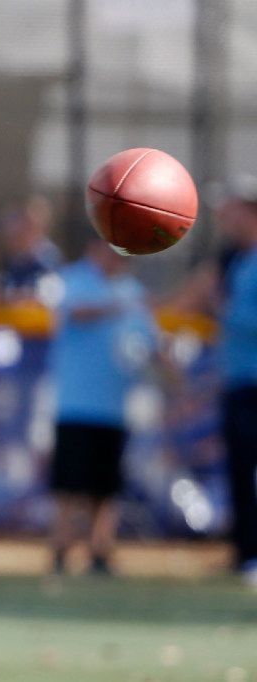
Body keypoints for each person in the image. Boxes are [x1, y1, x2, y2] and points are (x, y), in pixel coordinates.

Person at [49, 240, 157, 575]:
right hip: (76, 404)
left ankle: (100, 549)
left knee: (105, 488)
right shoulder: (73, 279)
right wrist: (119, 304)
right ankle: (60, 549)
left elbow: (151, 341)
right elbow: (76, 311)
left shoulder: (130, 289)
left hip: (114, 407)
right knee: (70, 486)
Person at [217, 181, 257, 586]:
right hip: (239, 382)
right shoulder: (236, 260)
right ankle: (245, 552)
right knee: (240, 472)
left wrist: (226, 313)